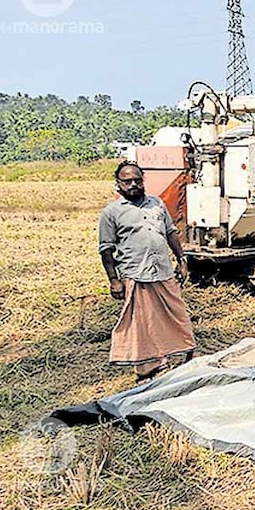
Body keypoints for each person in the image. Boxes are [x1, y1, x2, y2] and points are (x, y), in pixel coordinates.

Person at [98, 161, 196, 383]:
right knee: (142, 323)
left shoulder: (157, 204)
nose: (133, 184)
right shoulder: (112, 212)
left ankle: (188, 352)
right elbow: (106, 249)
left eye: (137, 180)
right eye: (127, 181)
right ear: (118, 184)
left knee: (177, 314)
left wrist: (181, 259)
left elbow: (171, 233)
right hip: (135, 273)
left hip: (162, 270)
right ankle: (147, 369)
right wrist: (114, 280)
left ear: (143, 181)